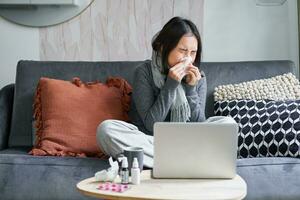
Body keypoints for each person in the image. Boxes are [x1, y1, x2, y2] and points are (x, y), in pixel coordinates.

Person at [96, 16, 232, 168]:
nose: (188, 59)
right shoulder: (144, 72)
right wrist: (171, 85)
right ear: (163, 47)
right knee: (106, 130)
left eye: (193, 52)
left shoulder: (198, 77)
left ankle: (168, 163)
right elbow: (151, 124)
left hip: (188, 143)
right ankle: (186, 163)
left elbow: (199, 126)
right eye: (182, 50)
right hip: (150, 141)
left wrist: (191, 89)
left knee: (227, 124)